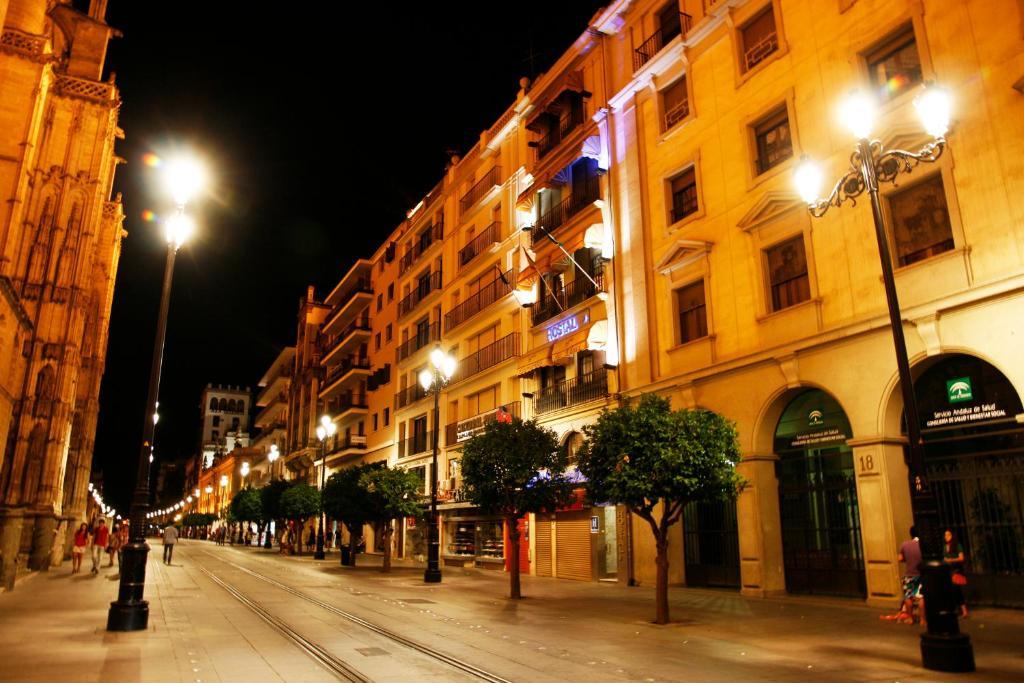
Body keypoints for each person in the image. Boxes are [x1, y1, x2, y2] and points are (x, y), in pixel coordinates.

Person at [886, 526, 923, 625]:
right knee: (921, 597)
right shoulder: (923, 545)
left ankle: (910, 618)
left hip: (909, 575)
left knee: (908, 596)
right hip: (921, 575)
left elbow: (900, 558)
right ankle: (924, 620)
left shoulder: (905, 544)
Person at [944, 529, 969, 618]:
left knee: (956, 590)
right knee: (951, 591)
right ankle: (957, 609)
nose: (946, 537)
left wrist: (951, 560)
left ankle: (964, 610)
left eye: (948, 535)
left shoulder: (957, 545)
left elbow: (961, 558)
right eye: (945, 535)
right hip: (948, 570)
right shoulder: (945, 547)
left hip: (956, 570)